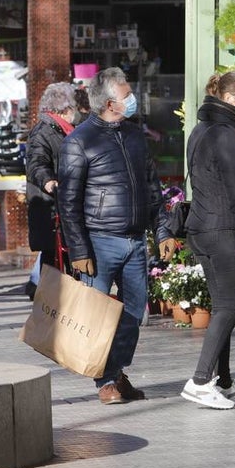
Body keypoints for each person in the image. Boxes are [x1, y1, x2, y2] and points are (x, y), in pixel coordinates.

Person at [57, 67, 175, 404]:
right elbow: (68, 201)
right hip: (98, 242)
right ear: (110, 103)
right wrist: (79, 249)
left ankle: (115, 371)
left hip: (135, 240)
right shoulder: (79, 141)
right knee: (97, 316)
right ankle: (106, 381)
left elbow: (152, 187)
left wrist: (163, 230)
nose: (133, 98)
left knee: (133, 314)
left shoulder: (135, 135)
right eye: (127, 94)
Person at [180, 71, 235, 409]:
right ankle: (201, 381)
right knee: (231, 306)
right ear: (231, 99)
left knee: (224, 308)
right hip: (223, 230)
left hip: (203, 229)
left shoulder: (202, 129)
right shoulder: (228, 136)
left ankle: (224, 381)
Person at [24, 82, 78, 298]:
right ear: (65, 108)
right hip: (51, 210)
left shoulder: (64, 130)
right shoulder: (43, 132)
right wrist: (49, 182)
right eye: (74, 107)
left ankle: (56, 302)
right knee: (52, 263)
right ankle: (48, 306)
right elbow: (36, 164)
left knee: (63, 265)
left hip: (64, 208)